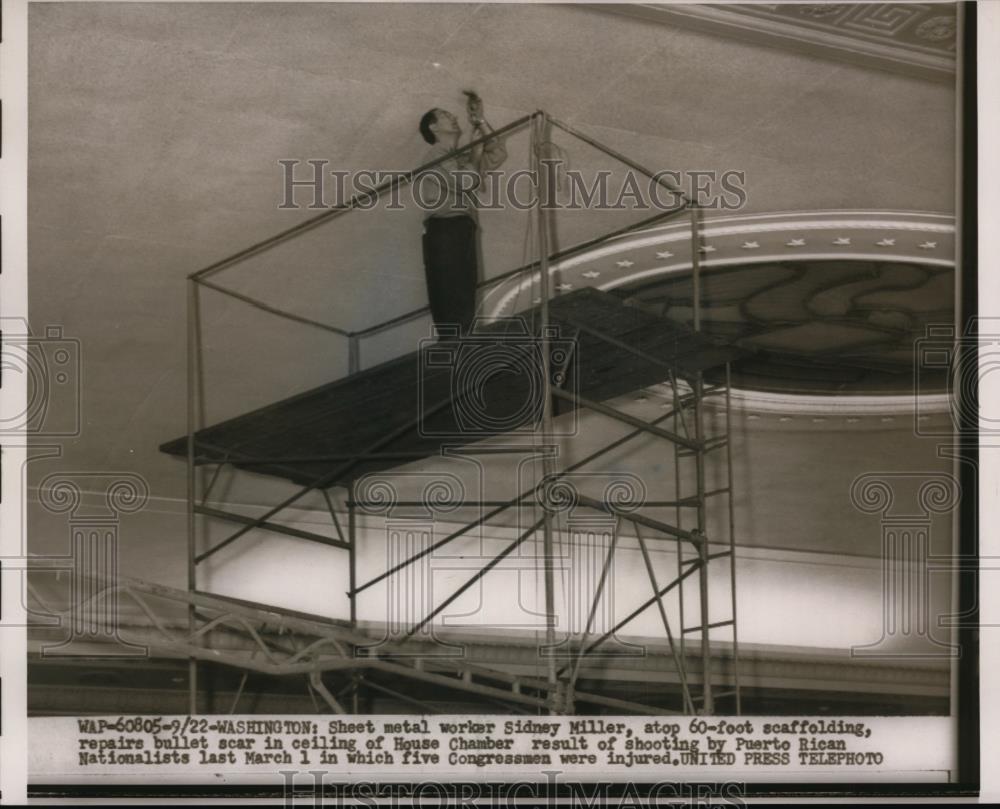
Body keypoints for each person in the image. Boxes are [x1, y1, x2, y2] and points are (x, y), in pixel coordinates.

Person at [418, 102, 507, 337]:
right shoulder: (435, 155)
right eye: (445, 115)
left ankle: (462, 340)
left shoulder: (461, 160)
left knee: (464, 286)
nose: (453, 117)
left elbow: (498, 153)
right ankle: (455, 343)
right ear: (433, 127)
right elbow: (466, 181)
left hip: (460, 227)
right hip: (444, 228)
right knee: (451, 288)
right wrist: (476, 154)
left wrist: (480, 122)